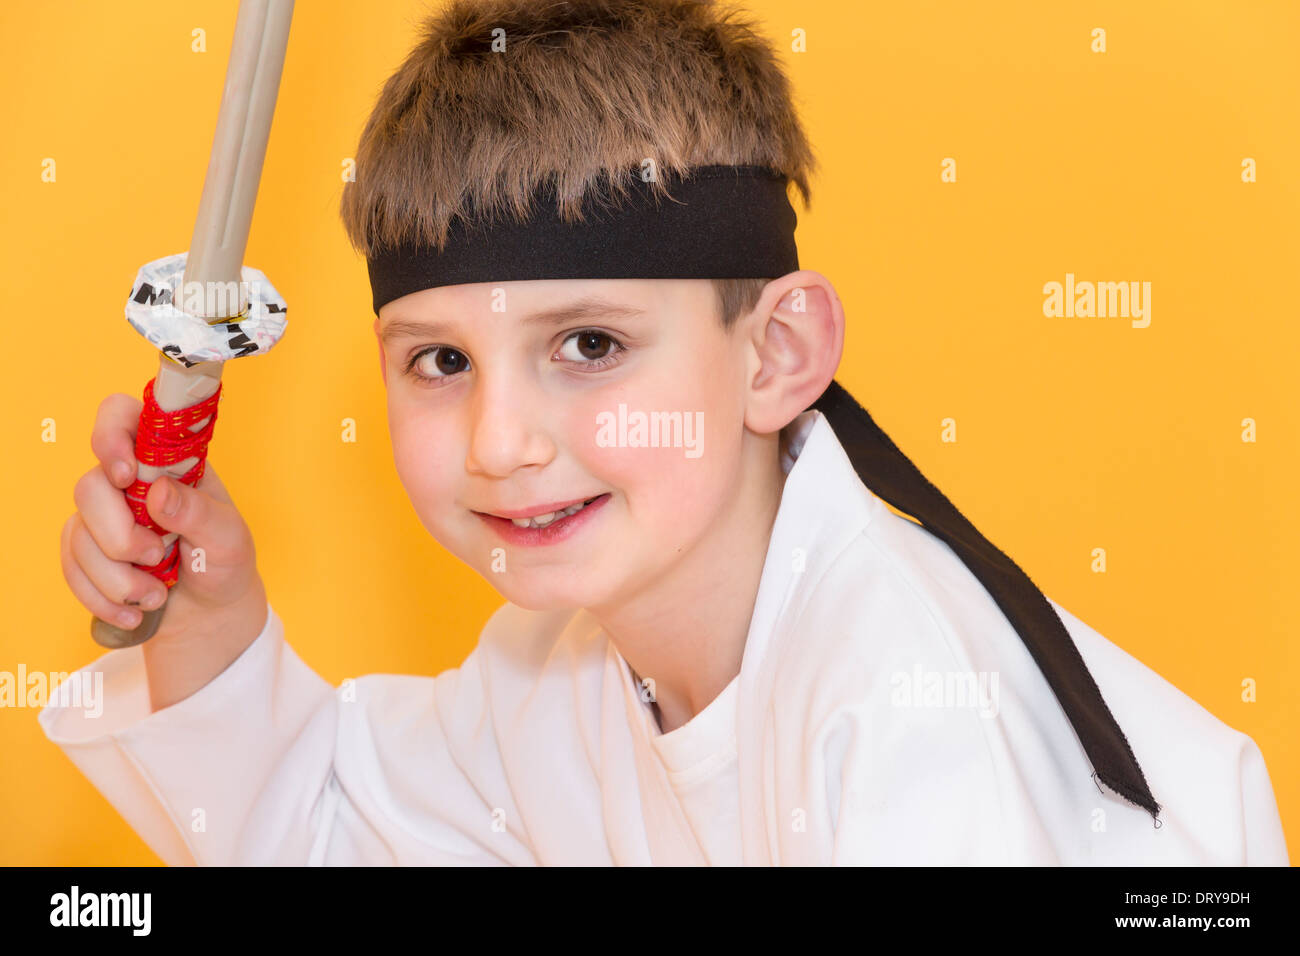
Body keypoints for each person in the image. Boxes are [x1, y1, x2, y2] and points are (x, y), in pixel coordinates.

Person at [47, 0, 1288, 865]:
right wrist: (209, 616)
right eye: (439, 361)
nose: (501, 439)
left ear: (777, 352)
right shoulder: (560, 671)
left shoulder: (912, 714)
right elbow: (325, 830)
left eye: (588, 345)